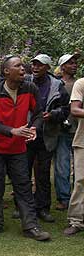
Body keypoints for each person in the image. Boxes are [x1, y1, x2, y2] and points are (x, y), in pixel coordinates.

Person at [0, 55, 50, 241]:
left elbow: (38, 113)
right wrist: (13, 130)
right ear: (6, 71)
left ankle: (30, 226)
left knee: (23, 187)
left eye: (23, 65)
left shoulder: (30, 88)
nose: (23, 68)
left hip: (19, 148)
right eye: (18, 66)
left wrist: (33, 129)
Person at [27, 54, 69, 222]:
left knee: (43, 174)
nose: (36, 68)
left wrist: (52, 114)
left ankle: (43, 208)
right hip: (27, 133)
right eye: (34, 64)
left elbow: (66, 109)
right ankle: (23, 206)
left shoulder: (57, 85)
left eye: (40, 65)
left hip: (46, 134)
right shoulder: (25, 82)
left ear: (48, 67)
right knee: (23, 172)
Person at [53, 53, 80, 211]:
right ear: (62, 67)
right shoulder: (56, 84)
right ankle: (64, 198)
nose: (74, 65)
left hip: (79, 130)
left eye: (75, 62)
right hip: (62, 130)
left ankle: (78, 197)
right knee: (61, 166)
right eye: (70, 63)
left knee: (79, 166)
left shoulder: (80, 83)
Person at [63, 77, 84, 235]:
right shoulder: (81, 83)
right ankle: (76, 220)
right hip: (83, 140)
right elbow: (75, 110)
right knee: (80, 181)